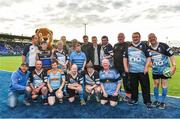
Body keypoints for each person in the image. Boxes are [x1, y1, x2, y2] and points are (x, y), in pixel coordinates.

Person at [123, 32, 152, 109]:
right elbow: (125, 58)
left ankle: (147, 101)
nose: (135, 38)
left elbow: (148, 57)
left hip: (143, 71)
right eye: (133, 37)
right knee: (133, 87)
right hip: (132, 71)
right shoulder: (128, 46)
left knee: (145, 87)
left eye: (136, 37)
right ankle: (134, 99)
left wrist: (146, 67)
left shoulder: (144, 45)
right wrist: (126, 67)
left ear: (139, 37)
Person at [148, 33, 176, 109]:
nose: (152, 39)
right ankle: (156, 100)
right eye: (150, 38)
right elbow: (148, 60)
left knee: (164, 84)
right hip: (155, 71)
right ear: (149, 39)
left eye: (153, 37)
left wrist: (173, 66)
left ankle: (162, 102)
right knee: (155, 84)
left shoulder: (164, 45)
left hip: (165, 70)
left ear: (156, 38)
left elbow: (172, 56)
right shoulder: (148, 49)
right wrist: (152, 65)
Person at [113, 33, 131, 101]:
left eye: (121, 37)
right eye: (119, 37)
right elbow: (113, 55)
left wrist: (128, 66)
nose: (120, 38)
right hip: (116, 68)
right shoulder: (115, 45)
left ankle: (128, 96)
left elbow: (129, 56)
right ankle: (119, 94)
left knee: (126, 82)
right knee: (117, 82)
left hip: (124, 67)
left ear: (124, 37)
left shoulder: (127, 45)